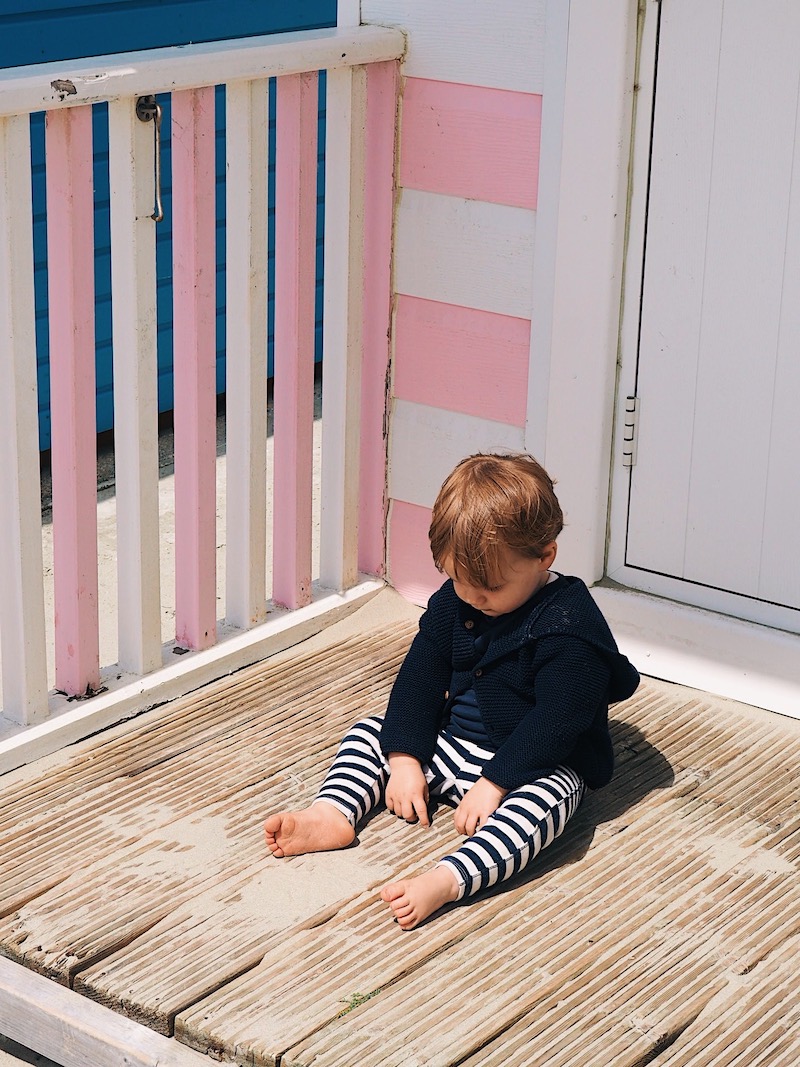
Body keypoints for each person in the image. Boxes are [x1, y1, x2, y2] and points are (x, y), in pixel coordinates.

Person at [264, 453, 639, 929]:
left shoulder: (567, 628)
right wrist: (403, 759)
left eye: (490, 587)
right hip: (450, 748)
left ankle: (448, 878)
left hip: (527, 765)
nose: (473, 598)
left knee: (549, 800)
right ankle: (332, 813)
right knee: (368, 734)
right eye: (457, 580)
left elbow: (556, 723)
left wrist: (495, 784)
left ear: (545, 556)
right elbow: (420, 676)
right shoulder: (458, 601)